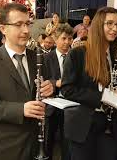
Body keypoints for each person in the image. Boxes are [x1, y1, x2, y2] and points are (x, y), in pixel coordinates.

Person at [0, 3, 54, 160]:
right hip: (7, 148)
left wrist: (50, 87)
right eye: (19, 24)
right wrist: (20, 110)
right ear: (3, 29)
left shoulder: (38, 58)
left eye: (27, 24)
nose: (26, 30)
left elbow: (46, 90)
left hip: (37, 143)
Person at [61, 7, 117, 160]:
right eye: (110, 23)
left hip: (108, 126)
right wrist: (104, 96)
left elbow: (114, 88)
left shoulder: (115, 55)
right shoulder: (78, 53)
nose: (115, 29)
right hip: (83, 126)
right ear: (99, 25)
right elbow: (67, 89)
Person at [44, 24, 73, 160]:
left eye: (69, 38)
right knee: (47, 143)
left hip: (71, 107)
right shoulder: (46, 58)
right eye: (64, 38)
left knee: (68, 143)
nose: (67, 42)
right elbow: (41, 80)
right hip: (51, 107)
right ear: (56, 39)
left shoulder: (76, 57)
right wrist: (55, 83)